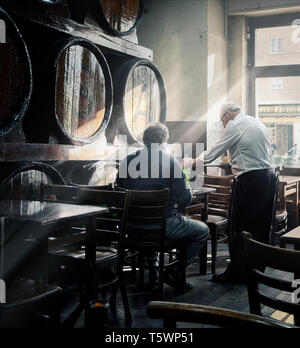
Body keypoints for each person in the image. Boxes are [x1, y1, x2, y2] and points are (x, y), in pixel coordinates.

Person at [188, 103, 277, 283]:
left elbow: (213, 152)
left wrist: (192, 162)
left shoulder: (235, 124)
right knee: (260, 228)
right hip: (269, 178)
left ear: (228, 115)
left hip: (251, 180)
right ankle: (256, 271)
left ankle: (236, 274)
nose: (223, 125)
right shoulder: (256, 123)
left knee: (239, 227)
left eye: (222, 120)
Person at [117, 123, 209, 290]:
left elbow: (120, 192)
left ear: (144, 141)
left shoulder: (127, 160)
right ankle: (173, 271)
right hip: (161, 228)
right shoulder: (170, 161)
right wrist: (174, 202)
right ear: (164, 141)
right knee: (202, 231)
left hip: (131, 229)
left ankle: (154, 273)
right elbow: (185, 197)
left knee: (152, 221)